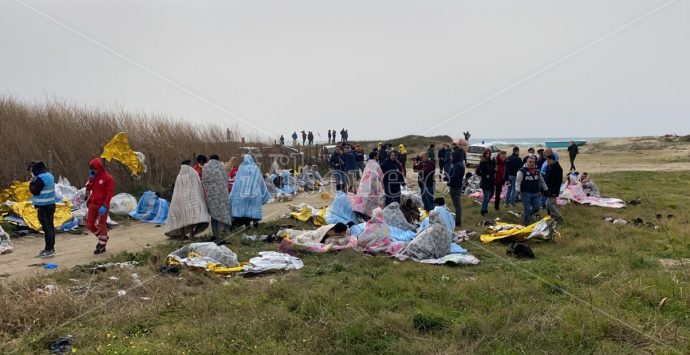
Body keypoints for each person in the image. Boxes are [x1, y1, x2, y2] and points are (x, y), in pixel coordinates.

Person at [165, 160, 210, 239]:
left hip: (179, 200)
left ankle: (183, 235)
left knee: (181, 217)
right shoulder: (193, 173)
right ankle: (191, 234)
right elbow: (198, 186)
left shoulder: (179, 176)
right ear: (189, 165)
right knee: (192, 217)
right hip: (192, 199)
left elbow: (176, 190)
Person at [231, 154, 272, 227]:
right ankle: (256, 226)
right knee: (255, 209)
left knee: (246, 210)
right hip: (254, 194)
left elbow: (237, 181)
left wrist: (234, 193)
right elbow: (260, 180)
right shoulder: (255, 168)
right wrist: (264, 191)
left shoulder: (241, 168)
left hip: (243, 194)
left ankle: (247, 226)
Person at [28, 161, 59, 258]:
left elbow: (34, 190)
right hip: (51, 205)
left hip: (43, 207)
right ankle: (51, 247)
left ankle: (48, 249)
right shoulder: (50, 176)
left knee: (47, 228)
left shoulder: (39, 179)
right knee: (50, 226)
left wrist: (31, 182)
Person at [85, 157, 115, 254]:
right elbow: (88, 188)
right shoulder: (94, 177)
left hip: (102, 205)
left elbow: (109, 193)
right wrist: (91, 179)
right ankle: (103, 237)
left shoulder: (108, 178)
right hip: (93, 204)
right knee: (89, 224)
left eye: (94, 168)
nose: (93, 170)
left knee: (101, 225)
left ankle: (102, 245)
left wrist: (105, 205)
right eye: (92, 169)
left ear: (99, 167)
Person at [202, 154, 233, 240]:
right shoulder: (222, 166)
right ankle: (227, 233)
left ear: (210, 159)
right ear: (218, 159)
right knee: (225, 213)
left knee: (214, 215)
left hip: (211, 196)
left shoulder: (205, 167)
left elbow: (204, 180)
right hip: (222, 195)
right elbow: (226, 177)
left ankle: (215, 234)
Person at [515, 157, 548, 226]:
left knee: (537, 208)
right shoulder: (521, 171)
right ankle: (527, 224)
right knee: (527, 209)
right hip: (525, 193)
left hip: (536, 193)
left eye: (533, 162)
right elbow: (518, 182)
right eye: (530, 162)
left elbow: (541, 181)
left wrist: (546, 189)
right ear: (526, 162)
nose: (532, 163)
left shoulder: (537, 170)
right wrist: (517, 191)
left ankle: (526, 215)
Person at [352, 152, 385, 217]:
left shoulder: (367, 164)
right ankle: (372, 213)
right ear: (375, 157)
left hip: (365, 183)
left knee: (365, 197)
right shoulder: (375, 164)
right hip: (373, 183)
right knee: (374, 198)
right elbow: (381, 175)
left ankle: (362, 210)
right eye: (377, 156)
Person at [447, 149, 465, 226]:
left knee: (457, 205)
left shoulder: (457, 166)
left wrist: (447, 178)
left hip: (455, 187)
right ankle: (457, 220)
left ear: (455, 157)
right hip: (457, 186)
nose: (450, 157)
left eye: (452, 156)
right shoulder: (459, 164)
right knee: (457, 204)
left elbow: (455, 177)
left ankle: (458, 222)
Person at [543, 154, 564, 222]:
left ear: (553, 160)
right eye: (547, 160)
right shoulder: (550, 166)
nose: (547, 161)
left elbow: (558, 181)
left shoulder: (557, 168)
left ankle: (558, 217)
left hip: (553, 189)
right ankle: (552, 217)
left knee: (548, 204)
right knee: (552, 203)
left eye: (548, 160)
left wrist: (555, 190)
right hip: (549, 188)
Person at [475, 149, 495, 216]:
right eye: (486, 153)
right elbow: (477, 172)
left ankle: (486, 210)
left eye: (489, 153)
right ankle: (483, 211)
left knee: (489, 197)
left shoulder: (491, 161)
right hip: (485, 182)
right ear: (484, 154)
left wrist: (495, 171)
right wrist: (485, 175)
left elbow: (493, 170)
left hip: (491, 181)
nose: (488, 154)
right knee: (486, 197)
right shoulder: (482, 162)